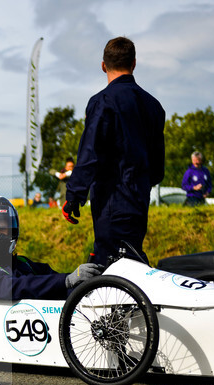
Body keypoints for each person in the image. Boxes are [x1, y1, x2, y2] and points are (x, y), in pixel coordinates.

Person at [63, 37, 165, 266]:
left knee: (109, 263)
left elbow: (91, 151)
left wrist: (74, 195)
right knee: (132, 259)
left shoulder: (103, 102)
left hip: (111, 200)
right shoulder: (154, 106)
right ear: (134, 64)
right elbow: (158, 167)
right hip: (139, 199)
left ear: (103, 65)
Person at [0, 195, 102, 301]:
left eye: (3, 228)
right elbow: (12, 287)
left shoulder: (21, 263)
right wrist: (65, 281)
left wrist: (83, 280)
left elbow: (52, 279)